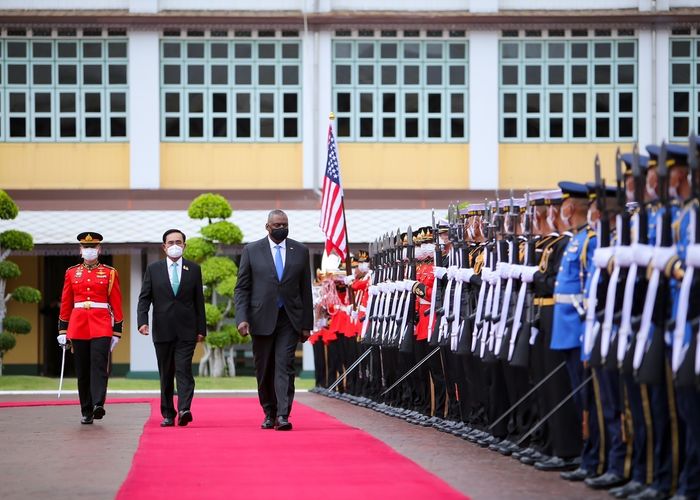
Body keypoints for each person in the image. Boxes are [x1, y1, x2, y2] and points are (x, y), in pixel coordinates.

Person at [234, 209, 313, 431]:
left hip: (289, 318)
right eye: (277, 225)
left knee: (284, 365)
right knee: (264, 368)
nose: (281, 229)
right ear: (267, 226)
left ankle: (283, 414)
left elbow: (305, 289)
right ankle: (269, 411)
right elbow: (242, 288)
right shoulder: (252, 250)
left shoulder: (300, 250)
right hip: (260, 319)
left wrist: (307, 324)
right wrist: (242, 318)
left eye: (284, 225)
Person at [137, 229, 206, 427]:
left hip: (187, 330)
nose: (174, 245)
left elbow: (198, 301)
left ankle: (184, 409)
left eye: (178, 242)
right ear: (164, 246)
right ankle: (168, 413)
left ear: (184, 245)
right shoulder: (154, 269)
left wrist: (201, 329)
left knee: (184, 370)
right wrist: (143, 321)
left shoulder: (193, 269)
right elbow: (145, 298)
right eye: (171, 242)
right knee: (166, 373)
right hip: (162, 329)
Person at [57, 232, 123, 424]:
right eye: (86, 247)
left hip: (102, 325)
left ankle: (98, 404)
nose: (89, 250)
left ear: (99, 249)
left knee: (99, 366)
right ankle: (86, 410)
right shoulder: (71, 272)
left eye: (93, 247)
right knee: (83, 369)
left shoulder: (110, 273)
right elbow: (66, 302)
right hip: (78, 326)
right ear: (80, 250)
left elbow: (116, 303)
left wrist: (117, 331)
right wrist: (63, 330)